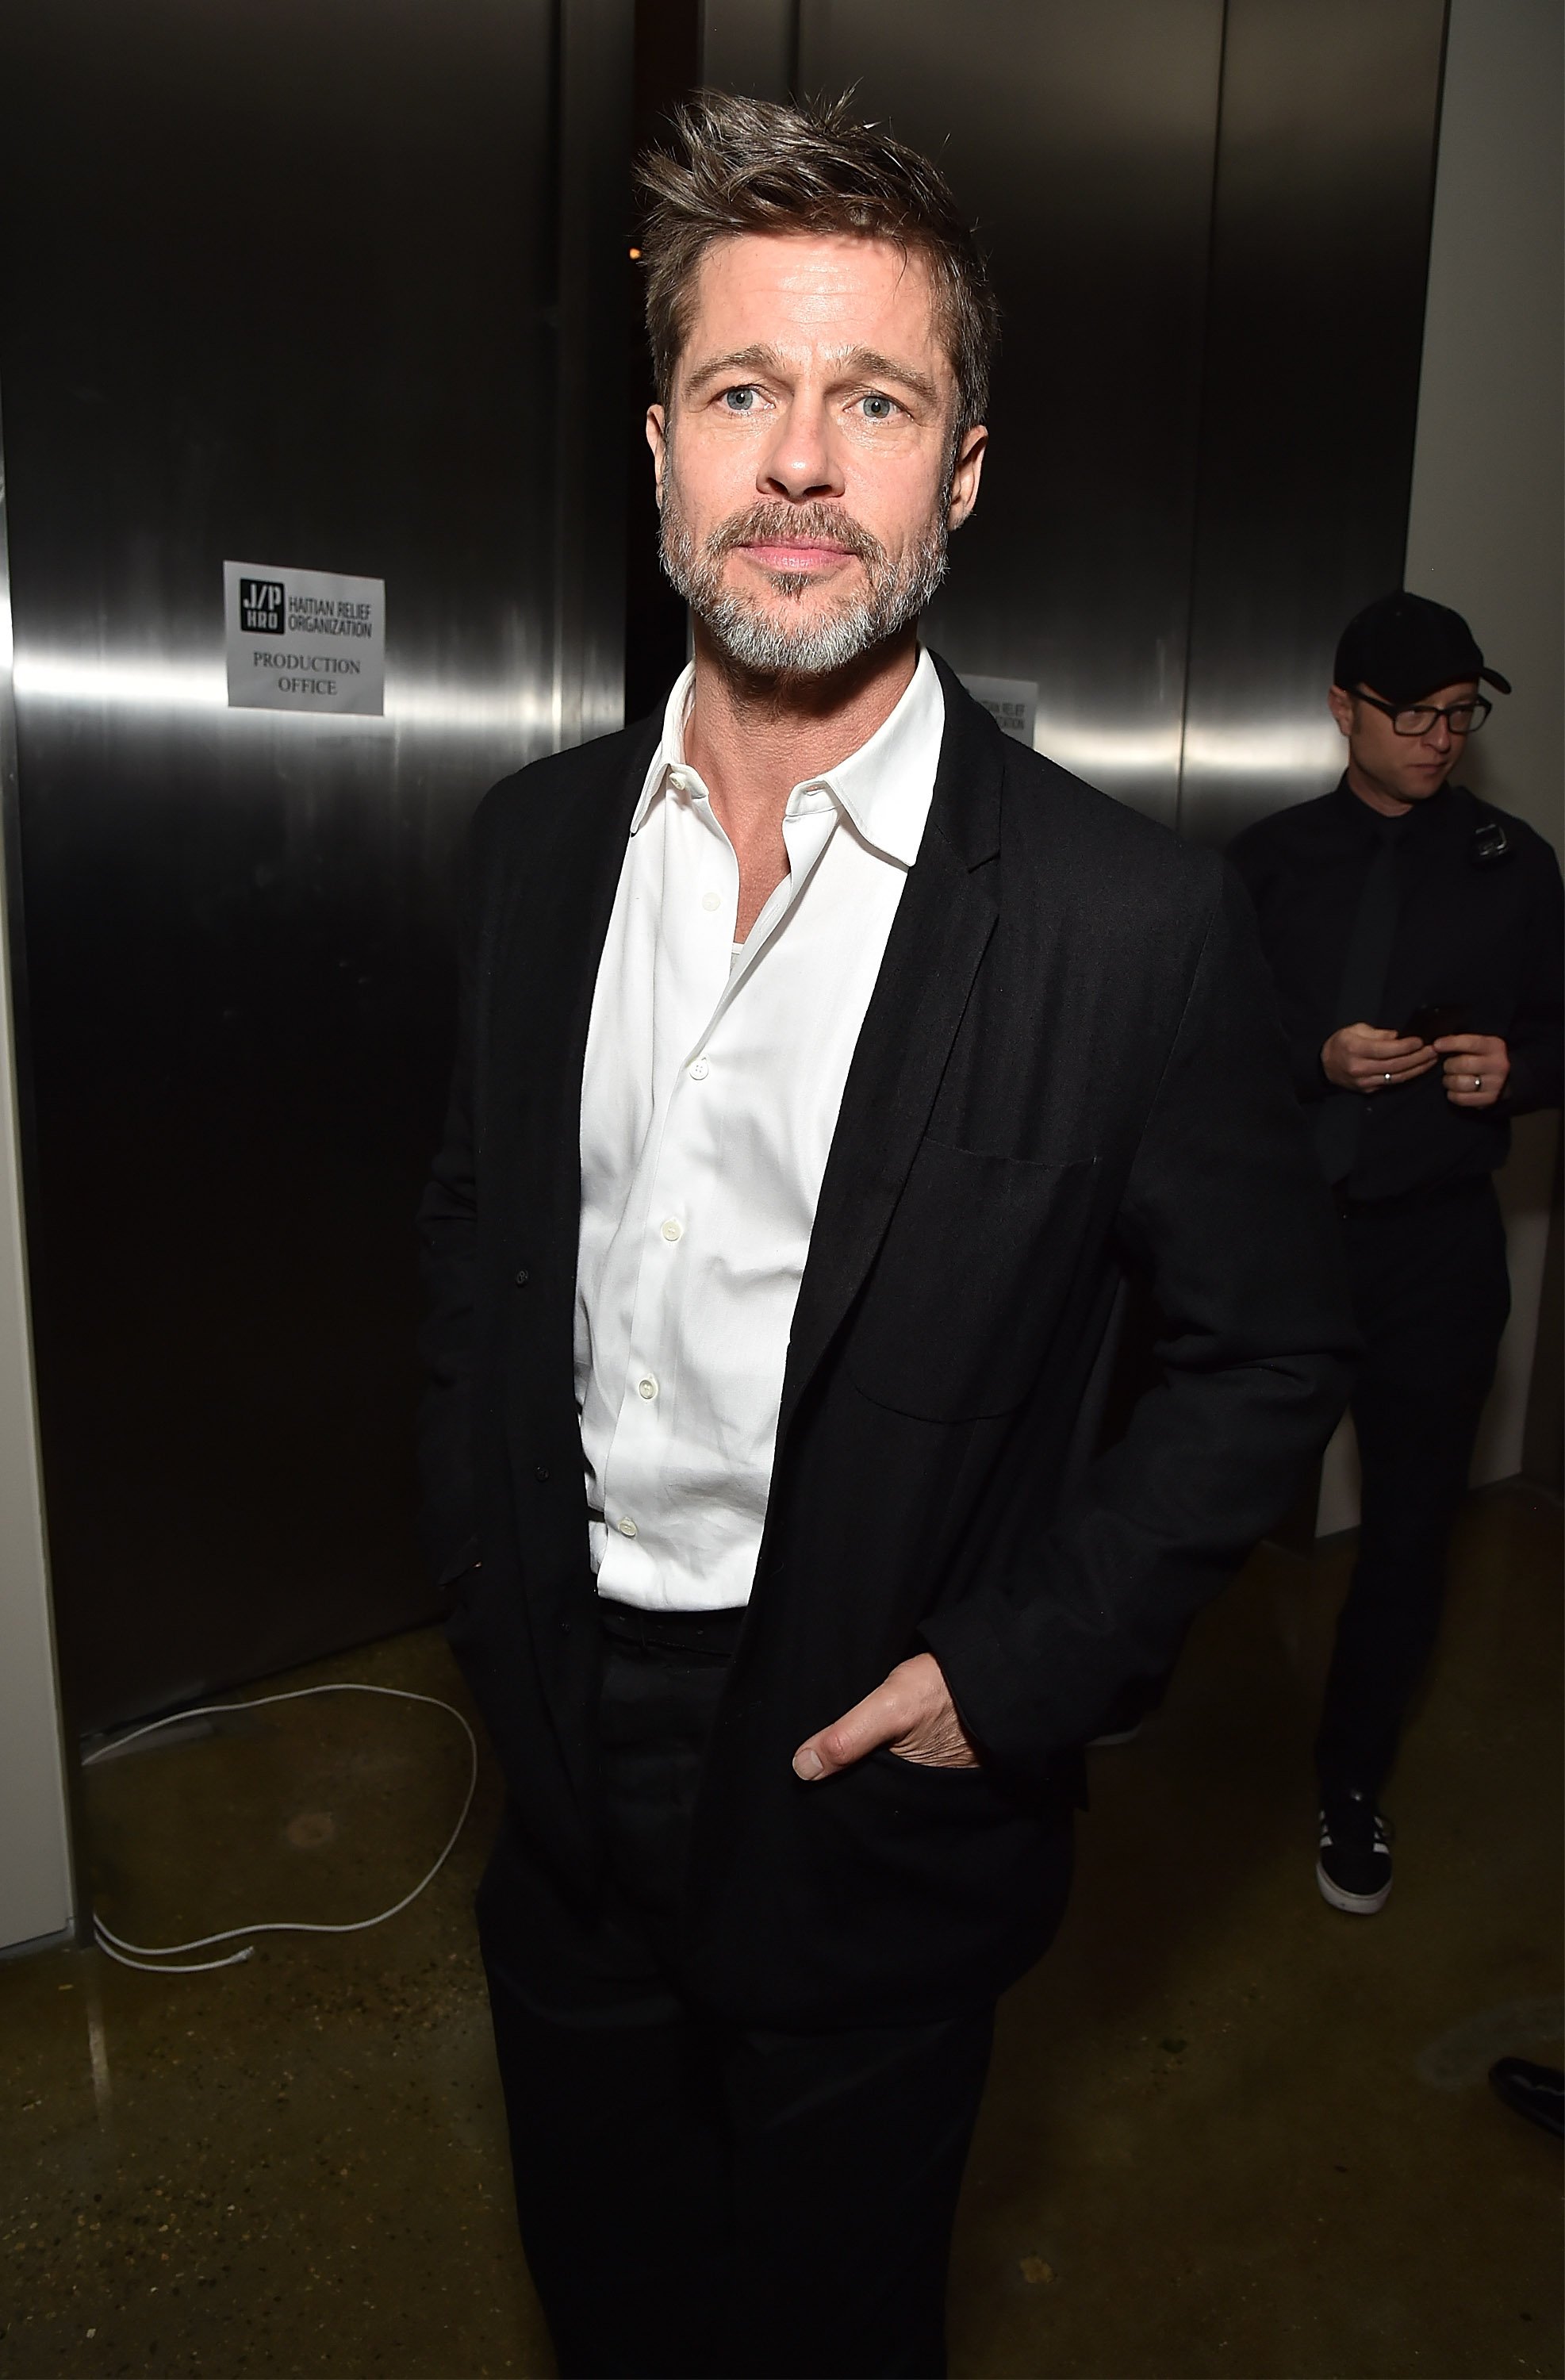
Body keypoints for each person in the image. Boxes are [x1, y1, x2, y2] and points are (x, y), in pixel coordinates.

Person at [418, 92, 1354, 2380]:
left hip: (870, 1776)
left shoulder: (1128, 927)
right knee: (610, 2296)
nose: (800, 462)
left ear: (957, 470)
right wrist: (483, 1588)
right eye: (742, 392)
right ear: (658, 449)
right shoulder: (529, 855)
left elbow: (1260, 1353)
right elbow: (473, 1255)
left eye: (873, 400)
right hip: (556, 1769)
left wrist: (1017, 1677)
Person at [1229, 592, 1563, 1920]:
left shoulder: (1512, 861)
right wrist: (1314, 1058)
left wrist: (1515, 1069)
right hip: (1280, 1247)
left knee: (1413, 1532)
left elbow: (1562, 1032)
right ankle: (1119, 1685)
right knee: (1201, 1490)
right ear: (1340, 709)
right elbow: (1189, 1047)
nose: (1439, 739)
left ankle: (1352, 1781)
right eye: (1413, 714)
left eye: (1459, 716)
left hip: (1435, 1250)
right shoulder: (1261, 864)